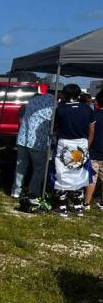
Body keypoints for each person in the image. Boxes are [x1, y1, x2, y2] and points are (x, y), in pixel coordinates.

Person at [54, 83, 94, 217]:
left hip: (65, 143)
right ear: (78, 95)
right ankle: (78, 206)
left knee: (62, 173)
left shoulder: (60, 109)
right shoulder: (87, 109)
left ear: (65, 95)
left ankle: (63, 206)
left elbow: (55, 128)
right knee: (79, 173)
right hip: (81, 143)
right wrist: (87, 144)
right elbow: (91, 130)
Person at [11, 91, 55, 200]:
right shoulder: (53, 104)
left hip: (23, 138)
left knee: (20, 166)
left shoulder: (33, 100)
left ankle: (16, 191)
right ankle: (33, 192)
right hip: (38, 141)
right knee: (39, 169)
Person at [85, 90, 103, 209]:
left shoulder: (94, 115)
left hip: (94, 150)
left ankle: (86, 203)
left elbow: (89, 132)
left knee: (92, 179)